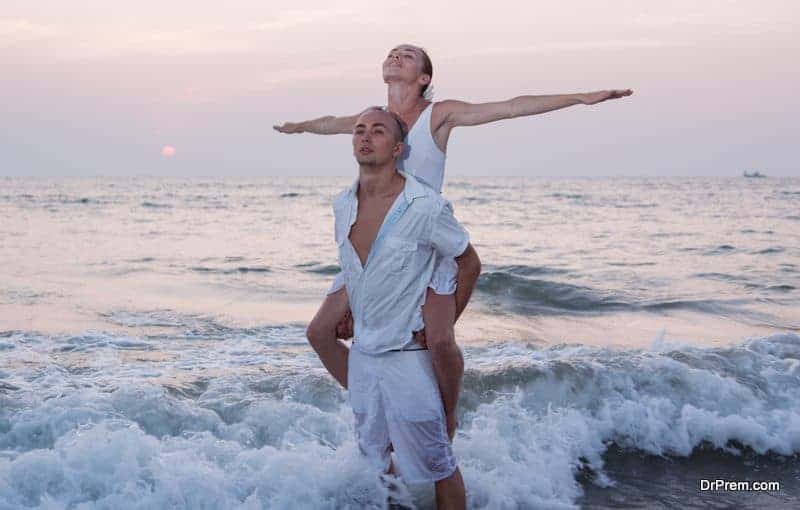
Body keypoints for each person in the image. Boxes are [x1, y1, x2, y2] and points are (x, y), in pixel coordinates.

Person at [281, 44, 633, 440]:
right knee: (319, 333)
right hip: (379, 249)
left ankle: (446, 414)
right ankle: (376, 400)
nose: (396, 56)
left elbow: (511, 107)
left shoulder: (439, 115)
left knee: (440, 340)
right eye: (393, 52)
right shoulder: (373, 121)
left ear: (424, 78)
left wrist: (579, 98)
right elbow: (329, 123)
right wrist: (299, 127)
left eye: (408, 56)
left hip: (427, 243)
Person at [317, 106, 468, 508]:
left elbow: (467, 260)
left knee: (440, 463)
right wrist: (352, 309)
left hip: (406, 359)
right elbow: (354, 268)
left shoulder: (423, 206)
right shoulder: (341, 204)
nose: (365, 136)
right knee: (375, 458)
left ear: (399, 147)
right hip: (364, 358)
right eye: (359, 130)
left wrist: (447, 321)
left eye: (378, 131)